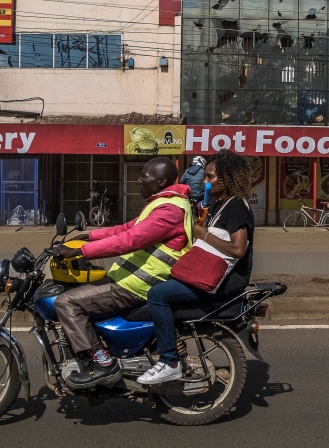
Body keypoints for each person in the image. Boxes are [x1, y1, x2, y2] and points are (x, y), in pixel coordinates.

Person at [52, 157, 193, 389]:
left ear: (162, 181)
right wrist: (88, 236)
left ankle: (103, 365)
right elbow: (128, 227)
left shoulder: (169, 211)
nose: (139, 180)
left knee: (67, 303)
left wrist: (80, 253)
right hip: (130, 278)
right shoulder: (163, 203)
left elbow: (131, 240)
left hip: (137, 284)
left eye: (144, 176)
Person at [138, 149, 254, 385]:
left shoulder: (236, 206)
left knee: (158, 295)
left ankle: (169, 361)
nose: (204, 181)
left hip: (225, 278)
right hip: (209, 268)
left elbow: (237, 249)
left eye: (209, 177)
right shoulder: (219, 203)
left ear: (226, 179)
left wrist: (203, 233)